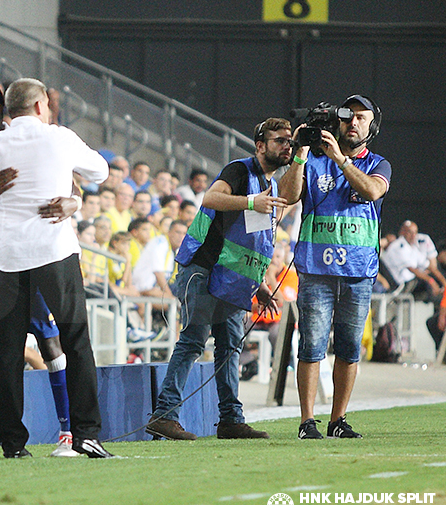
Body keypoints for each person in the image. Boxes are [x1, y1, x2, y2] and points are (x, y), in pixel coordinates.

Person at [0, 78, 113, 458]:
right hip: (53, 253)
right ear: (42, 106)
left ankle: (13, 443)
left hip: (8, 258)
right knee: (75, 342)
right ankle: (83, 436)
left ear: (4, 110)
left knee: (9, 352)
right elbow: (100, 172)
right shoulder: (59, 138)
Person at [148, 117, 293, 441]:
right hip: (202, 269)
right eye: (279, 140)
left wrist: (260, 285)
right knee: (193, 342)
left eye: (289, 141)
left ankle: (230, 420)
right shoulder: (240, 171)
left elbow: (248, 241)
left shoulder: (265, 183)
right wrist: (251, 202)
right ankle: (164, 415)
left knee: (230, 347)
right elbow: (211, 199)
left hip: (229, 278)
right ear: (260, 146)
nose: (286, 146)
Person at [279, 95, 391, 440]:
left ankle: (338, 419)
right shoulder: (312, 159)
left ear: (372, 125)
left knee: (348, 348)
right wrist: (299, 153)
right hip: (315, 270)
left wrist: (341, 161)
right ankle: (306, 421)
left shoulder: (378, 163)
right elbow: (287, 195)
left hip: (358, 272)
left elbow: (372, 191)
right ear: (337, 122)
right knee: (311, 346)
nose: (353, 123)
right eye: (348, 117)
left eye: (361, 118)